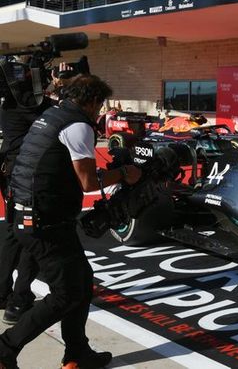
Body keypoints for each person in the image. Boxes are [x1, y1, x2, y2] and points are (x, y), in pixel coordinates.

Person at [0, 75, 141, 369]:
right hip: (43, 222)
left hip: (33, 215)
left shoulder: (51, 115)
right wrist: (125, 173)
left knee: (82, 282)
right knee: (67, 294)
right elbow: (88, 181)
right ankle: (5, 348)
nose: (99, 111)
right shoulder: (77, 125)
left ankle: (77, 353)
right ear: (91, 101)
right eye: (99, 104)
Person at [0, 62, 74, 326]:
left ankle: (3, 291)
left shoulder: (8, 104)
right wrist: (62, 89)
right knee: (33, 232)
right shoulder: (28, 106)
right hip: (29, 179)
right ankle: (19, 299)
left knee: (11, 233)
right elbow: (55, 115)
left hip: (12, 174)